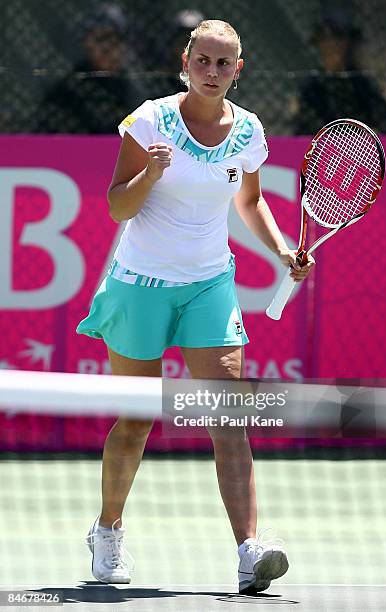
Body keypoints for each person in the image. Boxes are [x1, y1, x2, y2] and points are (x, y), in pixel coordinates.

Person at [77, 19, 314, 594]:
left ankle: (248, 550)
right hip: (141, 283)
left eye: (223, 63)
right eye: (202, 61)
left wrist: (282, 249)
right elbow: (116, 207)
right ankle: (107, 530)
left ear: (240, 68)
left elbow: (250, 200)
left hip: (210, 283)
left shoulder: (250, 131)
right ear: (185, 62)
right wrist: (151, 172)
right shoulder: (150, 120)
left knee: (228, 417)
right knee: (136, 421)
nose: (212, 72)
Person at [34, 4, 146, 133]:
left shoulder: (133, 88)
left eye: (114, 39)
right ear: (86, 42)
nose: (107, 47)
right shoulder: (69, 88)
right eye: (100, 39)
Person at [291, 8, 386, 135]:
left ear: (348, 42)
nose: (331, 44)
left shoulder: (363, 85)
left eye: (337, 37)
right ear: (318, 43)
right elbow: (304, 131)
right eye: (325, 38)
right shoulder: (311, 88)